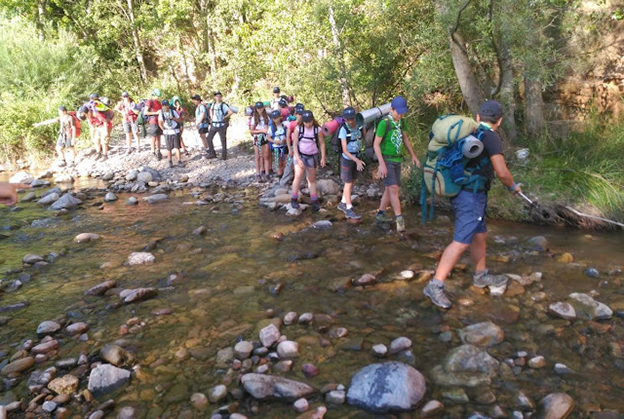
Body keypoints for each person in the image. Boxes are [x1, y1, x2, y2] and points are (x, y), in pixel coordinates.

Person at [423, 100, 522, 309]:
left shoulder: (475, 132)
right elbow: (502, 172)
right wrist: (513, 187)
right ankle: (435, 284)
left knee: (480, 234)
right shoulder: (491, 137)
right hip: (471, 195)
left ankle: (480, 275)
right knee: (461, 241)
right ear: (500, 120)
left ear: (478, 117)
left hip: (467, 191)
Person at [373, 96, 420, 233]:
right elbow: (376, 145)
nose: (400, 115)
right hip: (387, 159)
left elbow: (405, 138)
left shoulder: (401, 122)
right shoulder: (384, 123)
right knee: (393, 188)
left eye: (402, 112)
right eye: (398, 112)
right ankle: (399, 218)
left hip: (397, 159)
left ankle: (380, 214)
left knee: (390, 188)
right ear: (392, 109)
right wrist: (381, 164)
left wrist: (413, 155)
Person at [291, 110, 326, 212]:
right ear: (303, 121)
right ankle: (294, 198)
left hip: (312, 156)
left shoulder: (317, 130)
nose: (308, 124)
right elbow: (295, 144)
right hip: (300, 155)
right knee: (298, 176)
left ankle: (314, 201)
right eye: (306, 122)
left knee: (311, 179)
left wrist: (323, 157)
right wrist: (298, 158)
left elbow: (322, 143)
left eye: (310, 121)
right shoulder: (298, 129)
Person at [338, 107, 366, 219]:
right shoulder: (343, 129)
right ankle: (349, 208)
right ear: (344, 119)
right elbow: (344, 150)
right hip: (348, 159)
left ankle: (343, 202)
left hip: (357, 156)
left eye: (352, 119)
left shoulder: (359, 125)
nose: (350, 121)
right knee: (348, 183)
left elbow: (363, 137)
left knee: (353, 180)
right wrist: (357, 161)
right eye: (348, 119)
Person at [280, 104, 305, 186]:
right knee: (289, 164)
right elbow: (287, 137)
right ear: (296, 114)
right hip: (293, 146)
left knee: (302, 164)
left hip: (303, 147)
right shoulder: (292, 124)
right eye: (299, 114)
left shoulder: (306, 124)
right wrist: (289, 149)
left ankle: (301, 182)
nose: (300, 116)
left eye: (301, 114)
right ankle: (283, 182)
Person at [206, 91, 233, 160]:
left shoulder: (223, 105)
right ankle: (212, 153)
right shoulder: (213, 104)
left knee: (223, 140)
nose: (218, 97)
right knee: (209, 138)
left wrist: (225, 117)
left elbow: (230, 111)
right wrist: (211, 117)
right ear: (215, 97)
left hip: (221, 124)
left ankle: (224, 156)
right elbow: (211, 111)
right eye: (217, 96)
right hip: (214, 124)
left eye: (219, 96)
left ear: (221, 97)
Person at [158, 100, 183, 168]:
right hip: (167, 132)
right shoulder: (161, 113)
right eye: (164, 105)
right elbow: (160, 123)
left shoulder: (173, 112)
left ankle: (179, 161)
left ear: (168, 105)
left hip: (175, 131)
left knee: (177, 147)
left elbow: (180, 120)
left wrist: (173, 118)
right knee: (169, 148)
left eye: (166, 105)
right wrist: (164, 129)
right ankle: (170, 161)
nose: (165, 107)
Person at [250, 102, 271, 181]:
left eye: (261, 108)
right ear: (256, 109)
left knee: (266, 156)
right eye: (258, 108)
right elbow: (251, 131)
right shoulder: (254, 118)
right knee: (258, 156)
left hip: (265, 137)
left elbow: (269, 127)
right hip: (257, 137)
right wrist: (262, 130)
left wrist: (267, 131)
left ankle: (267, 173)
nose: (260, 110)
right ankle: (258, 173)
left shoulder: (267, 117)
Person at [267, 110, 288, 178]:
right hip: (276, 147)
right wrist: (274, 141)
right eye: (274, 118)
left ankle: (285, 176)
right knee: (278, 163)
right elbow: (268, 137)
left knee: (285, 162)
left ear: (280, 117)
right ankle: (280, 177)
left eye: (277, 117)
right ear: (272, 119)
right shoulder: (271, 128)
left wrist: (285, 139)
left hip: (284, 146)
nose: (276, 119)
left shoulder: (284, 125)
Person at [144, 89, 164, 160]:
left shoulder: (159, 103)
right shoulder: (150, 102)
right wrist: (155, 113)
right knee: (154, 137)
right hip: (153, 122)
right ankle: (153, 152)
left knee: (159, 137)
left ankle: (158, 151)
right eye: (158, 96)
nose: (159, 98)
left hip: (159, 121)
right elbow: (145, 112)